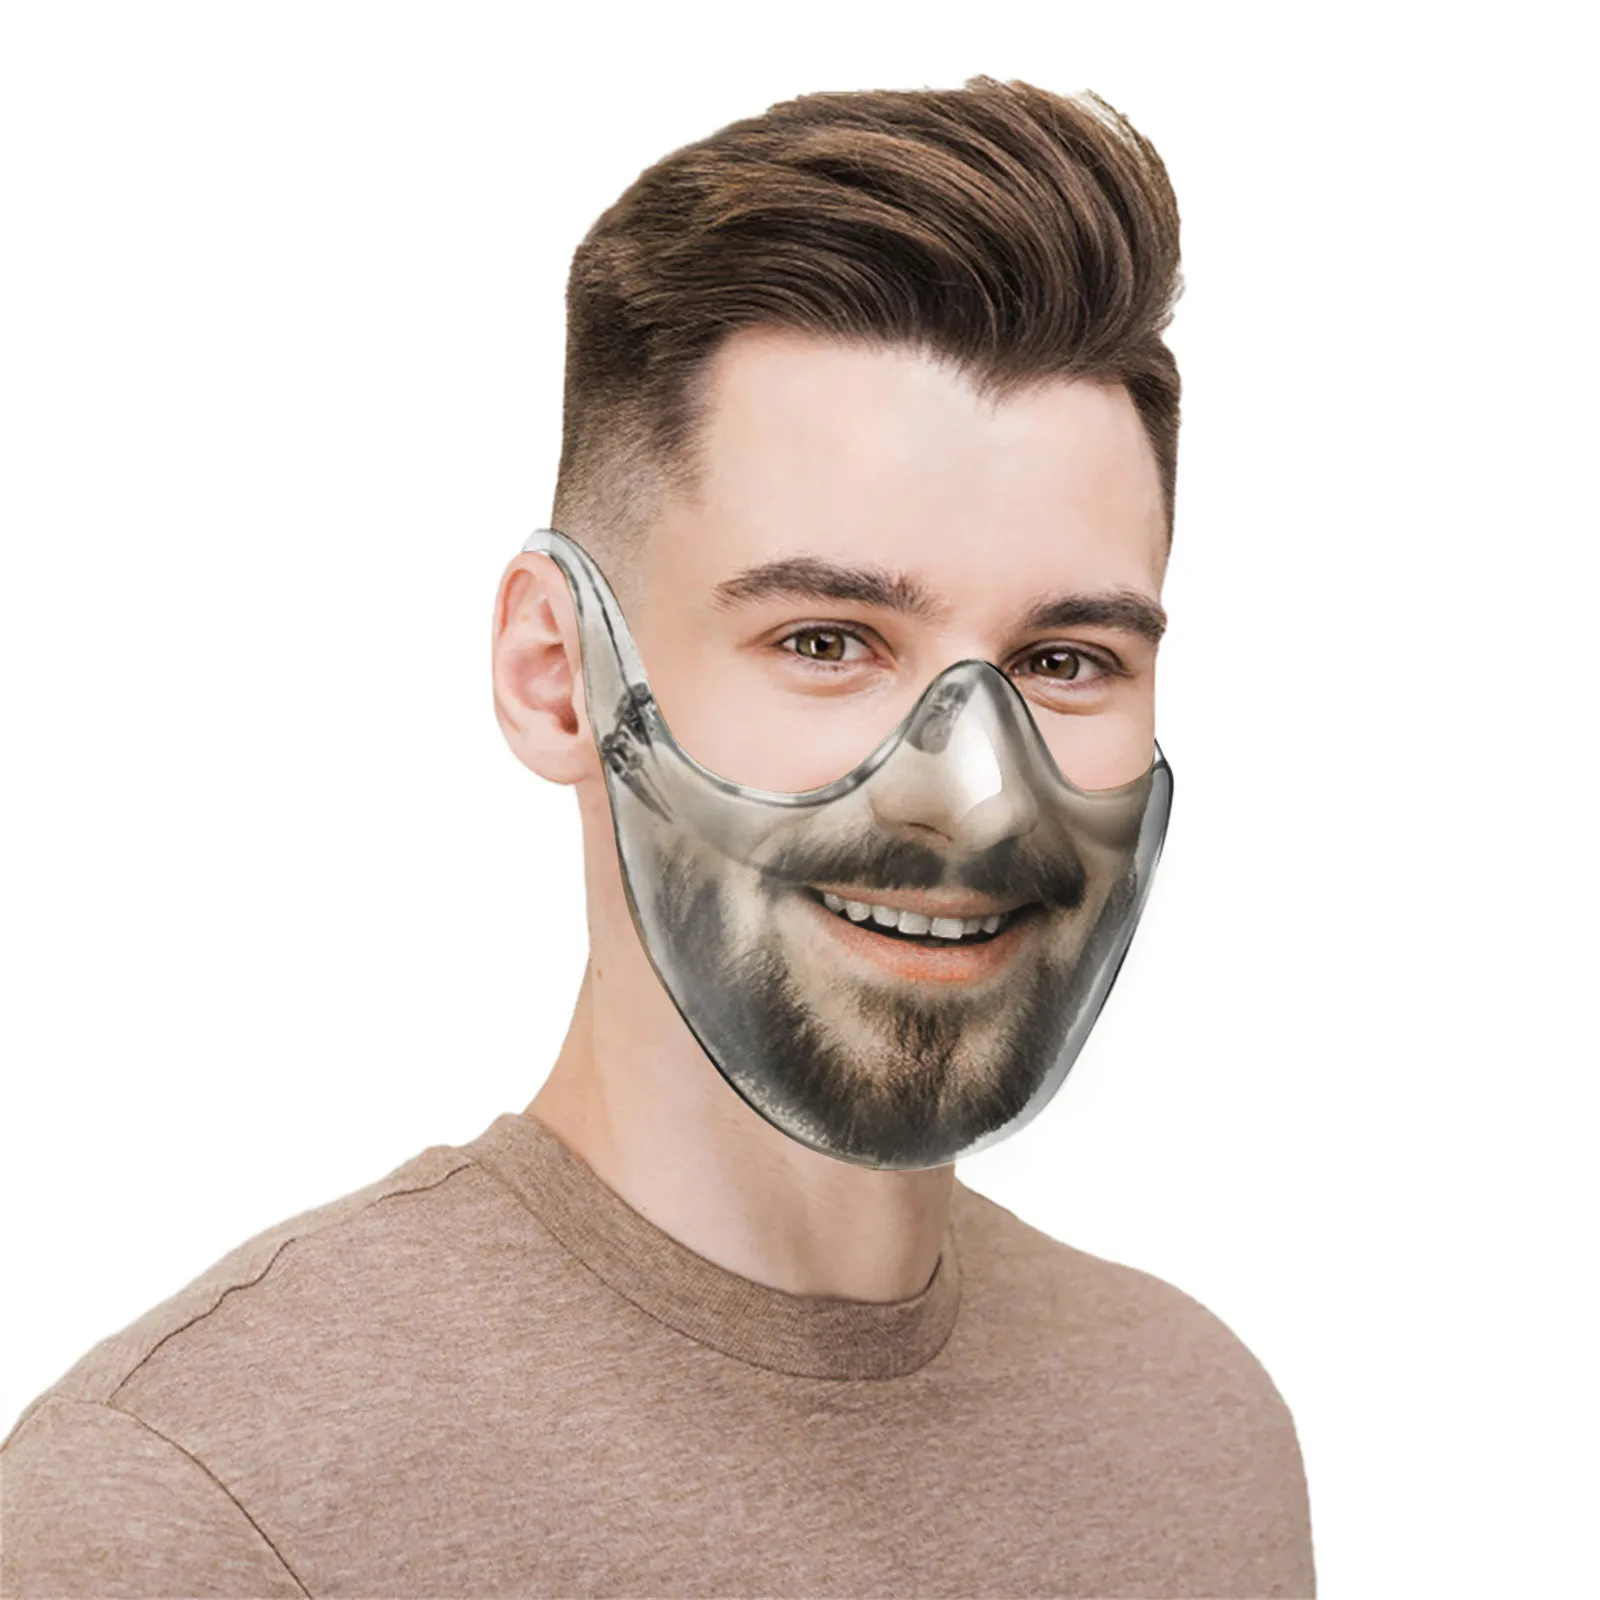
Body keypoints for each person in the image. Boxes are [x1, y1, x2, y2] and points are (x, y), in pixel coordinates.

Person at [0, 77, 1315, 1598]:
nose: (974, 796)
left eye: (1068, 660)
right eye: (827, 641)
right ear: (557, 674)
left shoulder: (1193, 1434)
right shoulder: (194, 1510)